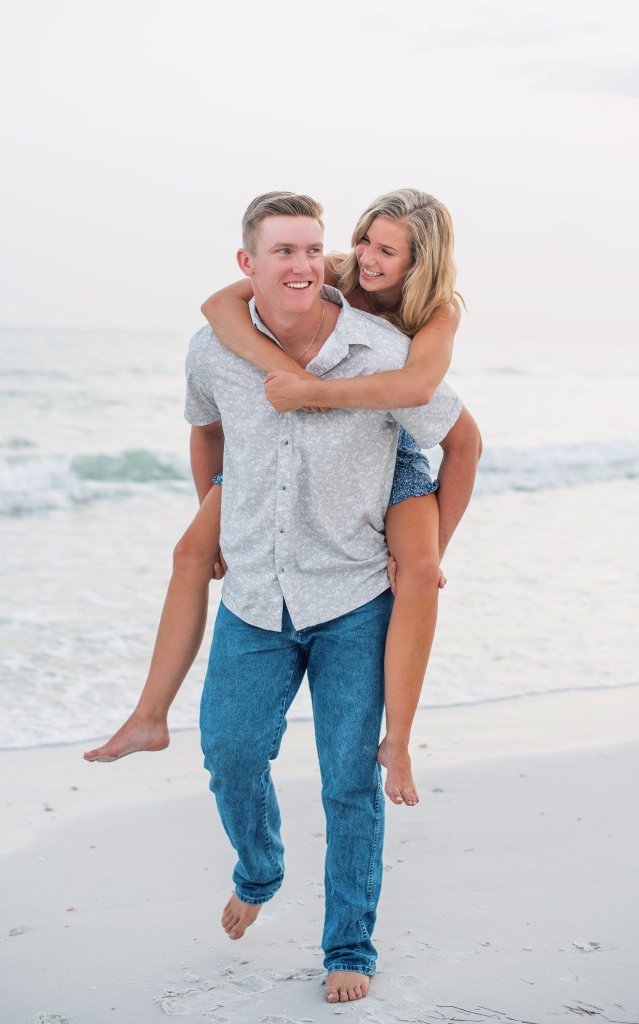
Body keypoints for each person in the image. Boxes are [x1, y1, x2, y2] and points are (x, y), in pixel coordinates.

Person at [183, 192, 480, 1002]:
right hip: (259, 591)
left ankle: (350, 943)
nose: (315, 262)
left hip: (355, 582)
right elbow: (207, 420)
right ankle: (260, 867)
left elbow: (454, 431)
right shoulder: (224, 341)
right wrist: (212, 511)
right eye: (286, 251)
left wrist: (434, 547)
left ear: (420, 262)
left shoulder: (399, 339)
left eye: (312, 249)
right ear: (253, 260)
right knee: (230, 752)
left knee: (350, 779)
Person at [84, 189, 470, 811]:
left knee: (420, 572)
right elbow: (219, 307)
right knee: (190, 552)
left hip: (388, 442)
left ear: (420, 263)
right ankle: (149, 714)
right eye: (365, 239)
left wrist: (316, 395)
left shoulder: (437, 311)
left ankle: (398, 742)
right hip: (296, 438)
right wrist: (293, 384)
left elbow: (422, 390)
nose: (367, 257)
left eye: (386, 251)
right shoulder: (333, 269)